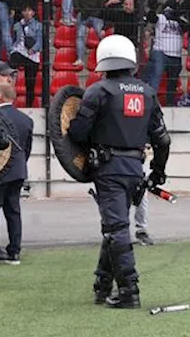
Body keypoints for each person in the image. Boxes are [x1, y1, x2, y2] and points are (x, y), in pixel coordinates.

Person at [67, 34, 171, 308]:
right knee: (117, 227)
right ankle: (102, 286)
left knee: (116, 229)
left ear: (104, 60)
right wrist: (158, 173)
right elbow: (163, 140)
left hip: (108, 169)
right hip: (135, 169)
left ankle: (129, 290)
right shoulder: (147, 92)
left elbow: (78, 132)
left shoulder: (98, 91)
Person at [0, 83, 31, 265]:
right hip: (18, 171)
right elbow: (26, 149)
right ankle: (14, 252)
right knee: (14, 211)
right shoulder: (26, 119)